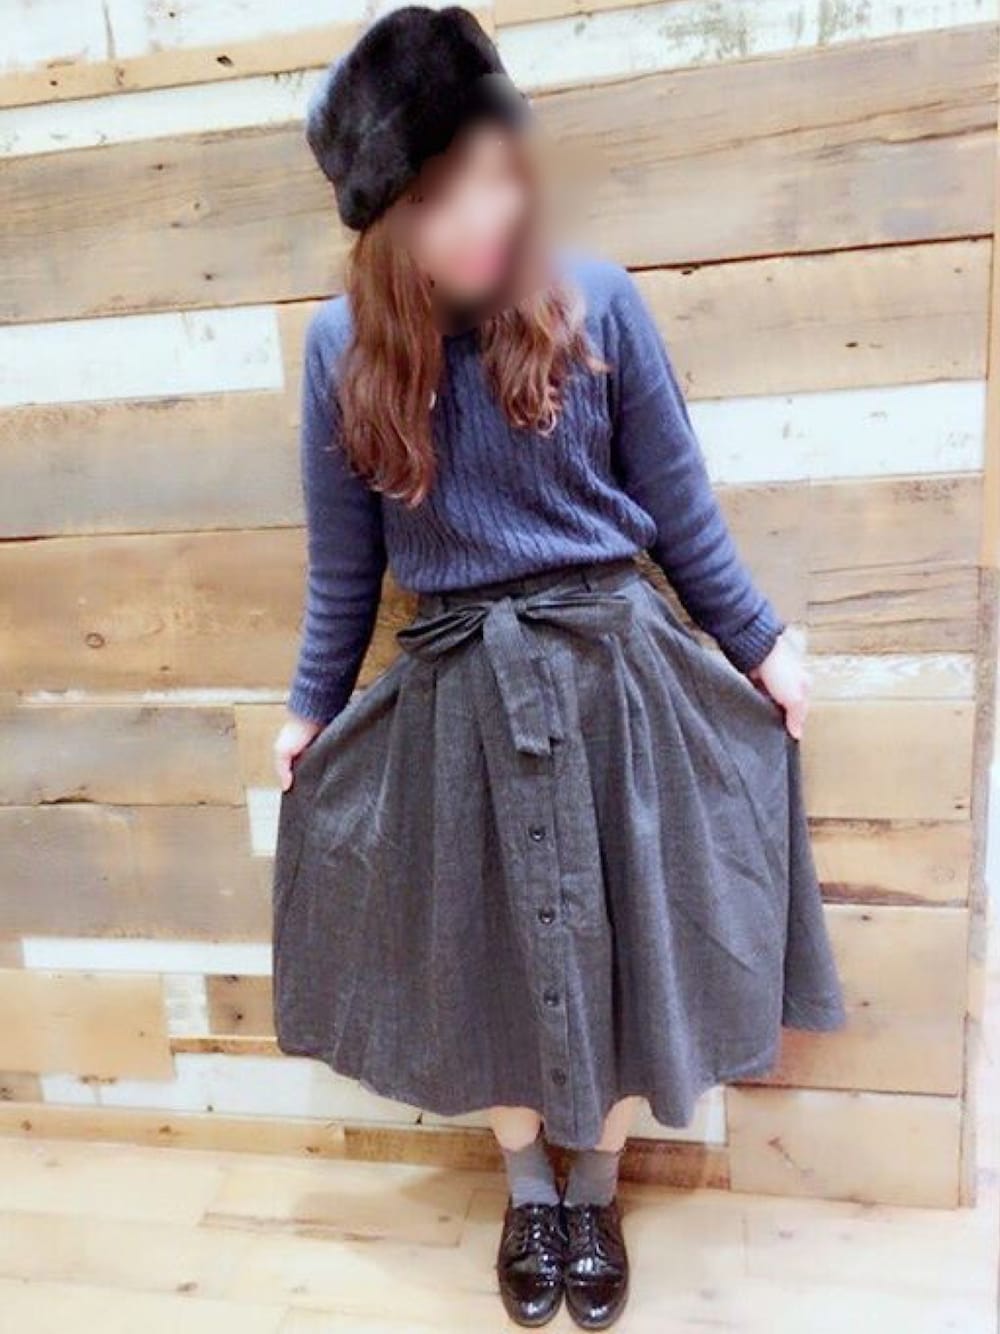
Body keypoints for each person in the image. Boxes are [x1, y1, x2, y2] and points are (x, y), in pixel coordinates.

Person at [270, 6, 848, 1329]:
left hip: (616, 681)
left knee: (634, 946)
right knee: (480, 963)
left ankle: (598, 1186)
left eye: (491, 176)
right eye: (436, 197)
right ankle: (529, 1188)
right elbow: (344, 573)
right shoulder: (340, 353)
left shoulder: (599, 302)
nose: (477, 216)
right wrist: (309, 710)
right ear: (383, 219)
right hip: (458, 697)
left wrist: (762, 644)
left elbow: (681, 514)